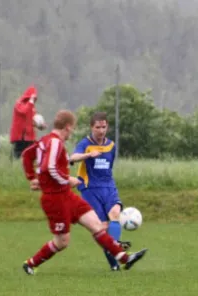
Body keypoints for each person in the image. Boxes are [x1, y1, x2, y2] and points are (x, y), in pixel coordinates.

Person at [20, 110, 148, 275]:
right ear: (67, 127)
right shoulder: (54, 142)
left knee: (96, 225)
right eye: (72, 128)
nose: (71, 132)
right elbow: (49, 167)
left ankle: (124, 258)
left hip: (67, 195)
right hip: (55, 199)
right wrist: (68, 179)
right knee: (62, 242)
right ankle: (31, 263)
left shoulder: (45, 141)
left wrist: (33, 178)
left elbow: (26, 156)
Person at [70, 112, 130, 271]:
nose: (101, 130)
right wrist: (88, 155)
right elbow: (73, 157)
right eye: (98, 127)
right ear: (92, 127)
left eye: (104, 127)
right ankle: (115, 263)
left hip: (108, 186)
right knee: (102, 228)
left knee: (115, 213)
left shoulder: (111, 145)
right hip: (90, 188)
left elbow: (109, 167)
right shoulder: (86, 143)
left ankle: (115, 247)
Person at [10, 86, 46, 159]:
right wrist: (31, 101)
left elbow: (31, 121)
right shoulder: (19, 104)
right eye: (33, 98)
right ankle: (14, 168)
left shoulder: (32, 107)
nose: (34, 100)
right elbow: (24, 111)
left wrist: (40, 126)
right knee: (18, 156)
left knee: (30, 158)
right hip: (20, 137)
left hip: (29, 138)